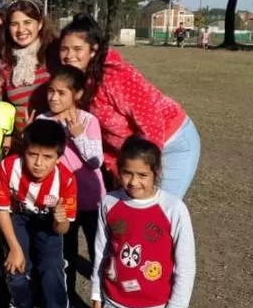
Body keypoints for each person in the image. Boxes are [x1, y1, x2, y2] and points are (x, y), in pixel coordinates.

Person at [91, 137, 206, 308]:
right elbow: (101, 252)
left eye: (142, 175)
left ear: (156, 173)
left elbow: (185, 268)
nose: (133, 182)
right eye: (127, 173)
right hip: (114, 304)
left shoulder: (173, 209)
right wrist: (98, 300)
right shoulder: (109, 203)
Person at [58, 13, 201, 198]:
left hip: (171, 142)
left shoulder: (116, 76)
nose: (69, 55)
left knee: (156, 208)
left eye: (78, 49)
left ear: (93, 50)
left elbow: (152, 125)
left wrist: (141, 167)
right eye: (64, 49)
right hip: (131, 151)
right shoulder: (81, 79)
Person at [0, 119, 78, 308]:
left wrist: (60, 219)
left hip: (48, 222)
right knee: (16, 266)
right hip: (18, 216)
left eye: (47, 157)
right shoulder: (9, 167)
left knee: (52, 268)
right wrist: (14, 248)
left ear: (58, 157)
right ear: (24, 150)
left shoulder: (67, 179)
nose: (39, 163)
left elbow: (63, 228)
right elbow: (1, 210)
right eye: (33, 154)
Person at [38, 65, 105, 301]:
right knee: (65, 255)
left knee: (101, 254)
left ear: (77, 94)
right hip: (62, 203)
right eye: (50, 91)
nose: (53, 97)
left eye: (61, 93)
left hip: (91, 201)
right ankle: (68, 302)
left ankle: (102, 302)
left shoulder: (88, 121)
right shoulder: (42, 120)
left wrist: (78, 135)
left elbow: (96, 161)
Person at [0, 0, 54, 146]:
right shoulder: (4, 64)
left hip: (51, 142)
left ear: (39, 24)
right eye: (14, 24)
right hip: (19, 142)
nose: (21, 29)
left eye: (27, 22)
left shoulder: (54, 56)